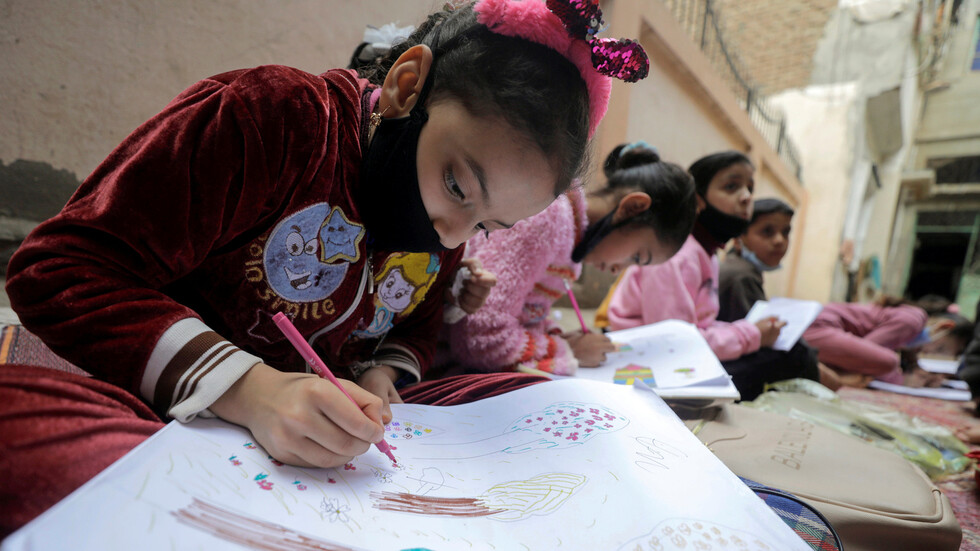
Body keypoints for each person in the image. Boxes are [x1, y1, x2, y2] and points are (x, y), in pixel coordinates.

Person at [0, 0, 651, 535]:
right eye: (457, 185)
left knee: (526, 407)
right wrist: (251, 391)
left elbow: (417, 324)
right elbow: (58, 269)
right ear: (406, 86)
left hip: (323, 448)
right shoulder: (275, 118)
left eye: (487, 226)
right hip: (169, 411)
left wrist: (384, 371)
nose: (452, 235)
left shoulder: (442, 224)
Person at [444, 143, 697, 376]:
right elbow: (478, 339)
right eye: (637, 256)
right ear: (632, 207)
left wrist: (557, 337)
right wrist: (568, 351)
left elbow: (522, 316)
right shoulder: (547, 216)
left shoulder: (571, 245)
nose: (617, 271)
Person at [604, 151, 825, 400]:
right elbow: (675, 342)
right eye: (731, 187)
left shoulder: (705, 253)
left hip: (675, 354)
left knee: (790, 352)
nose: (746, 197)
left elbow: (700, 327)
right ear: (698, 201)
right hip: (648, 364)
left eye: (750, 188)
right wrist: (752, 334)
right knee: (792, 357)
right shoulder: (677, 255)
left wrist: (751, 330)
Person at [716, 198, 842, 389]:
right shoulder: (741, 275)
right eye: (767, 232)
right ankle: (828, 382)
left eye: (786, 232)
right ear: (740, 238)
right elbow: (759, 338)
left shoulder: (741, 268)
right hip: (721, 364)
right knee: (795, 354)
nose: (779, 240)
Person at [803, 295, 974, 386]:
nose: (928, 351)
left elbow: (909, 360)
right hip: (816, 326)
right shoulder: (912, 320)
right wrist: (904, 380)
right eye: (939, 348)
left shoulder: (912, 331)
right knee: (889, 361)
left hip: (822, 331)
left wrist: (920, 373)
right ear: (943, 327)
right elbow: (869, 352)